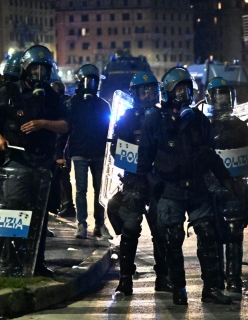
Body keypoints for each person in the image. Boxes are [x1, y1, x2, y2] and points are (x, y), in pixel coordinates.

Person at [137, 66, 233, 305]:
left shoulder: (199, 120)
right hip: (170, 189)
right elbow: (143, 161)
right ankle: (178, 288)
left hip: (198, 189)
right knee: (172, 238)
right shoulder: (154, 122)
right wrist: (148, 189)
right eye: (179, 89)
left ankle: (211, 288)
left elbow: (210, 154)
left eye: (187, 89)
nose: (184, 94)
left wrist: (227, 181)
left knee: (208, 236)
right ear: (168, 92)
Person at [0, 45, 69, 278]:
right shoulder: (10, 93)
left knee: (39, 215)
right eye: (34, 68)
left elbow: (64, 124)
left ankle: (36, 264)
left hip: (43, 164)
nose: (39, 73)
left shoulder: (51, 96)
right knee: (15, 211)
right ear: (25, 69)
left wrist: (43, 124)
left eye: (43, 68)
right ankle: (11, 264)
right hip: (17, 162)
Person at [108, 71, 172, 296]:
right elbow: (116, 149)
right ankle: (125, 279)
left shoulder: (163, 116)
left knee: (162, 230)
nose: (146, 94)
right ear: (134, 93)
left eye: (150, 90)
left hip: (159, 181)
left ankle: (163, 277)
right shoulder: (126, 118)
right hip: (134, 181)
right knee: (130, 229)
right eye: (142, 90)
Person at [204, 77, 248, 293]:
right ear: (210, 99)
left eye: (226, 97)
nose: (223, 102)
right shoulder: (205, 125)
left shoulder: (239, 125)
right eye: (218, 97)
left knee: (235, 232)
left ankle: (234, 277)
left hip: (235, 185)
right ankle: (216, 277)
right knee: (212, 232)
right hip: (211, 186)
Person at [63, 64, 112, 239]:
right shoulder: (72, 104)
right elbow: (65, 129)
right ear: (80, 81)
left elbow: (109, 130)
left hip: (99, 153)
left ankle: (100, 225)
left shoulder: (103, 105)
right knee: (81, 189)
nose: (90, 84)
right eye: (87, 80)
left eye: (93, 81)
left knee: (100, 192)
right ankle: (82, 224)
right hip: (79, 151)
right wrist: (61, 154)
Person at [52, 80, 76, 219]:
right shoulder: (63, 103)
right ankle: (64, 205)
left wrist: (59, 154)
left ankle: (67, 206)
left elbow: (62, 133)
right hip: (61, 148)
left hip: (63, 148)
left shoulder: (63, 105)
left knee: (62, 177)